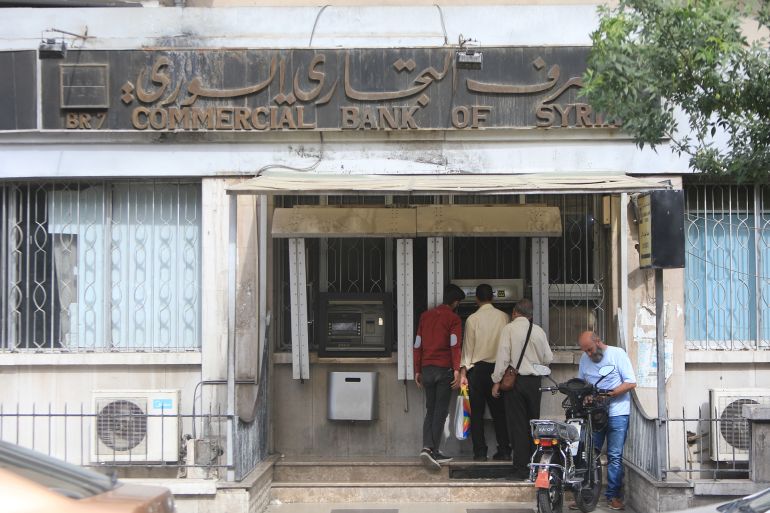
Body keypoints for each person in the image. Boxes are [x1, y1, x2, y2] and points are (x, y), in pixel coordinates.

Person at [491, 298, 553, 480]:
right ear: (531, 315)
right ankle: (535, 466)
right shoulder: (539, 331)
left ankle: (521, 469)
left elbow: (503, 357)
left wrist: (496, 380)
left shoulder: (509, 329)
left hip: (515, 383)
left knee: (517, 426)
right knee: (533, 424)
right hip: (534, 383)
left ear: (514, 312)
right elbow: (548, 357)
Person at [577, 331, 637, 511]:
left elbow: (631, 382)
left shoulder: (617, 354)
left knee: (615, 456)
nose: (588, 354)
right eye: (585, 351)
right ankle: (586, 497)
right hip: (594, 414)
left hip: (618, 413)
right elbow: (580, 383)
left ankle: (613, 496)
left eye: (590, 349)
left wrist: (611, 394)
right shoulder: (584, 359)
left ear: (598, 341)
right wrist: (586, 397)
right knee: (588, 455)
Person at [414, 283, 465, 470]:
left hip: (426, 369)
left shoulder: (425, 317)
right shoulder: (453, 319)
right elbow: (455, 345)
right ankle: (430, 450)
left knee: (431, 409)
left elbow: (417, 344)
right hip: (444, 370)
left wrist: (417, 369)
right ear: (456, 302)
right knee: (441, 411)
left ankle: (428, 447)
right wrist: (457, 370)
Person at [460, 283, 511, 462]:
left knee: (476, 414)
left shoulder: (472, 319)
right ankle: (504, 450)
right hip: (499, 370)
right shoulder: (504, 317)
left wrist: (463, 372)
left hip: (478, 371)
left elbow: (468, 348)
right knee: (499, 413)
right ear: (493, 297)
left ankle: (480, 452)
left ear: (477, 299)